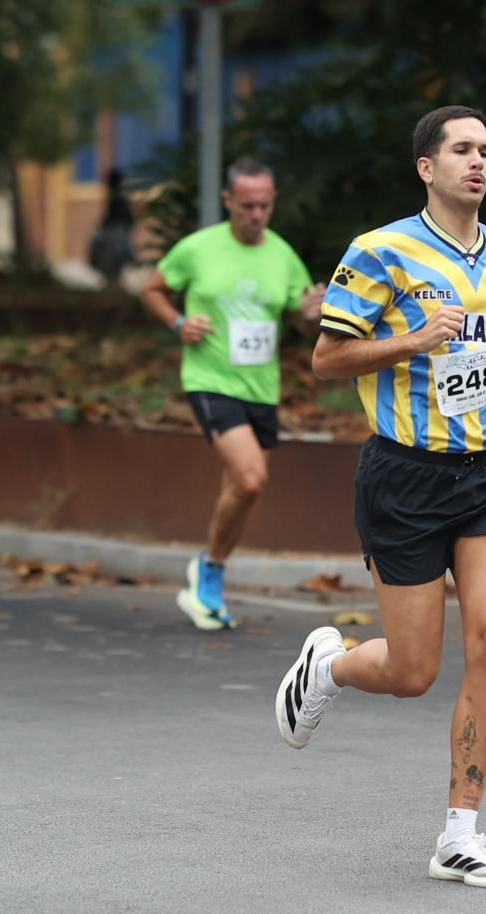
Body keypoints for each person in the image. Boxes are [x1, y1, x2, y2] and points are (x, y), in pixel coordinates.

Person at [270, 105, 486, 888]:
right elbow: (327, 362)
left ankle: (459, 833)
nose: (479, 162)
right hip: (405, 474)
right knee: (411, 672)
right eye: (462, 150)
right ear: (427, 168)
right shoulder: (380, 252)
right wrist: (410, 341)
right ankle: (328, 667)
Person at [141, 158, 326, 630]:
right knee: (250, 477)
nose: (257, 214)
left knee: (240, 488)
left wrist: (311, 311)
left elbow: (304, 324)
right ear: (228, 201)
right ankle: (210, 567)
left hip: (260, 386)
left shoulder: (282, 255)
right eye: (247, 205)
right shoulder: (198, 249)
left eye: (264, 205)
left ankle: (209, 577)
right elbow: (153, 289)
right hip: (209, 379)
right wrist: (179, 323)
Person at [89, 168, 135, 285]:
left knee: (112, 259)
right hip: (117, 233)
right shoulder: (118, 196)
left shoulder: (118, 197)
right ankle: (112, 281)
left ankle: (113, 282)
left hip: (116, 234)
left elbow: (123, 217)